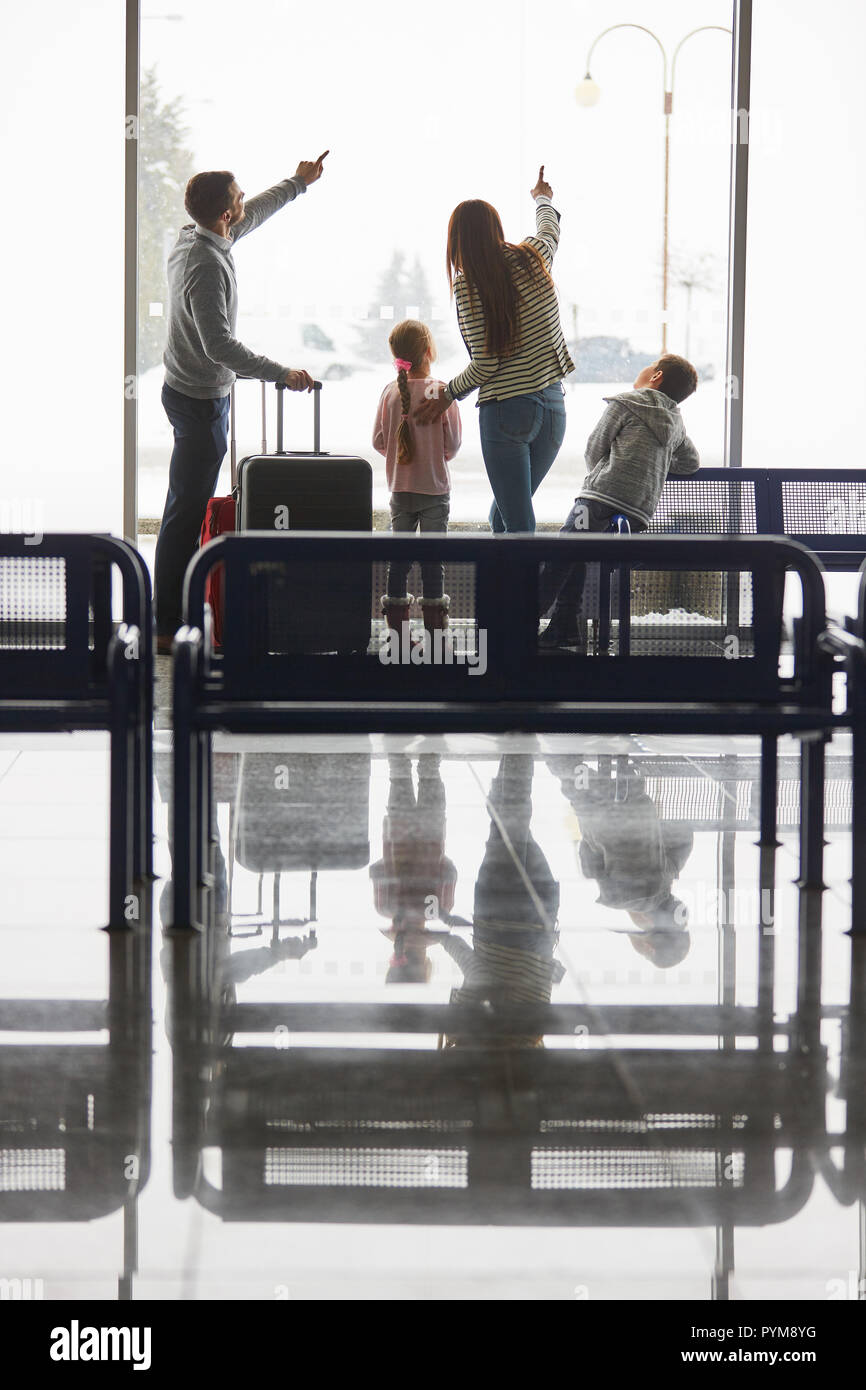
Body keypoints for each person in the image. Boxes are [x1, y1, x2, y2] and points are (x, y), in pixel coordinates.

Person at [154, 155, 328, 653]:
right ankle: (167, 625)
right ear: (224, 215)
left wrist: (298, 182)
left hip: (190, 389)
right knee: (185, 512)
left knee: (182, 505)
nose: (243, 202)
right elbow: (220, 346)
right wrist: (284, 373)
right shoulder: (205, 264)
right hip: (198, 400)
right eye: (237, 197)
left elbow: (252, 213)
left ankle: (173, 614)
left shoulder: (197, 235)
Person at [414, 166, 574, 533]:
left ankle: (523, 592)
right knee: (502, 517)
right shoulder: (534, 257)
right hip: (553, 408)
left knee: (516, 525)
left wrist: (449, 394)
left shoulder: (468, 286)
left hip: (507, 412)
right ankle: (510, 590)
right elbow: (549, 231)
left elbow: (486, 364)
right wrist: (542, 198)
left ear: (457, 240)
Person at [539, 353, 700, 649]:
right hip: (637, 512)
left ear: (656, 376)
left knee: (561, 554)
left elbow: (594, 449)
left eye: (651, 365)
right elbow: (691, 463)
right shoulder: (675, 421)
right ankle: (564, 628)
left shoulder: (626, 402)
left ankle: (522, 620)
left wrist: (603, 476)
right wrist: (659, 461)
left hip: (600, 498)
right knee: (575, 555)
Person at [372, 320, 461, 642]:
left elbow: (379, 441)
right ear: (428, 350)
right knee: (432, 560)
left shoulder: (390, 391)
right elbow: (452, 445)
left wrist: (402, 457)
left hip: (399, 489)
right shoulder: (440, 391)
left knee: (400, 560)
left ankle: (397, 632)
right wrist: (433, 457)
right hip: (435, 490)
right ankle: (436, 632)